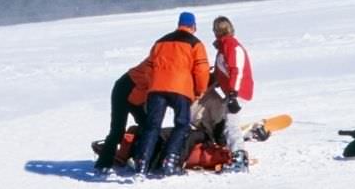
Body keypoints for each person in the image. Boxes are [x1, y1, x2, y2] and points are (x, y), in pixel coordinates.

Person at [130, 11, 209, 176]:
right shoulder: (195, 44)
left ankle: (142, 163)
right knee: (181, 125)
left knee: (152, 126)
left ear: (179, 24)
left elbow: (148, 69)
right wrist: (200, 90)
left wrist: (153, 84)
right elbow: (201, 70)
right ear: (193, 26)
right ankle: (170, 161)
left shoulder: (160, 42)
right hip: (181, 89)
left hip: (156, 89)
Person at [190, 15, 254, 172]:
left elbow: (236, 71)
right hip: (232, 93)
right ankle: (232, 151)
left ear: (218, 30)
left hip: (238, 92)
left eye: (215, 29)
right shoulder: (223, 47)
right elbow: (222, 73)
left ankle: (240, 159)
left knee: (231, 125)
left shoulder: (232, 46)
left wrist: (233, 95)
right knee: (227, 125)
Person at [93, 57, 152, 173]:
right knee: (117, 130)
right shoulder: (158, 61)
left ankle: (128, 153)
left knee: (149, 127)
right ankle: (103, 163)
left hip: (137, 96)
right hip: (123, 90)